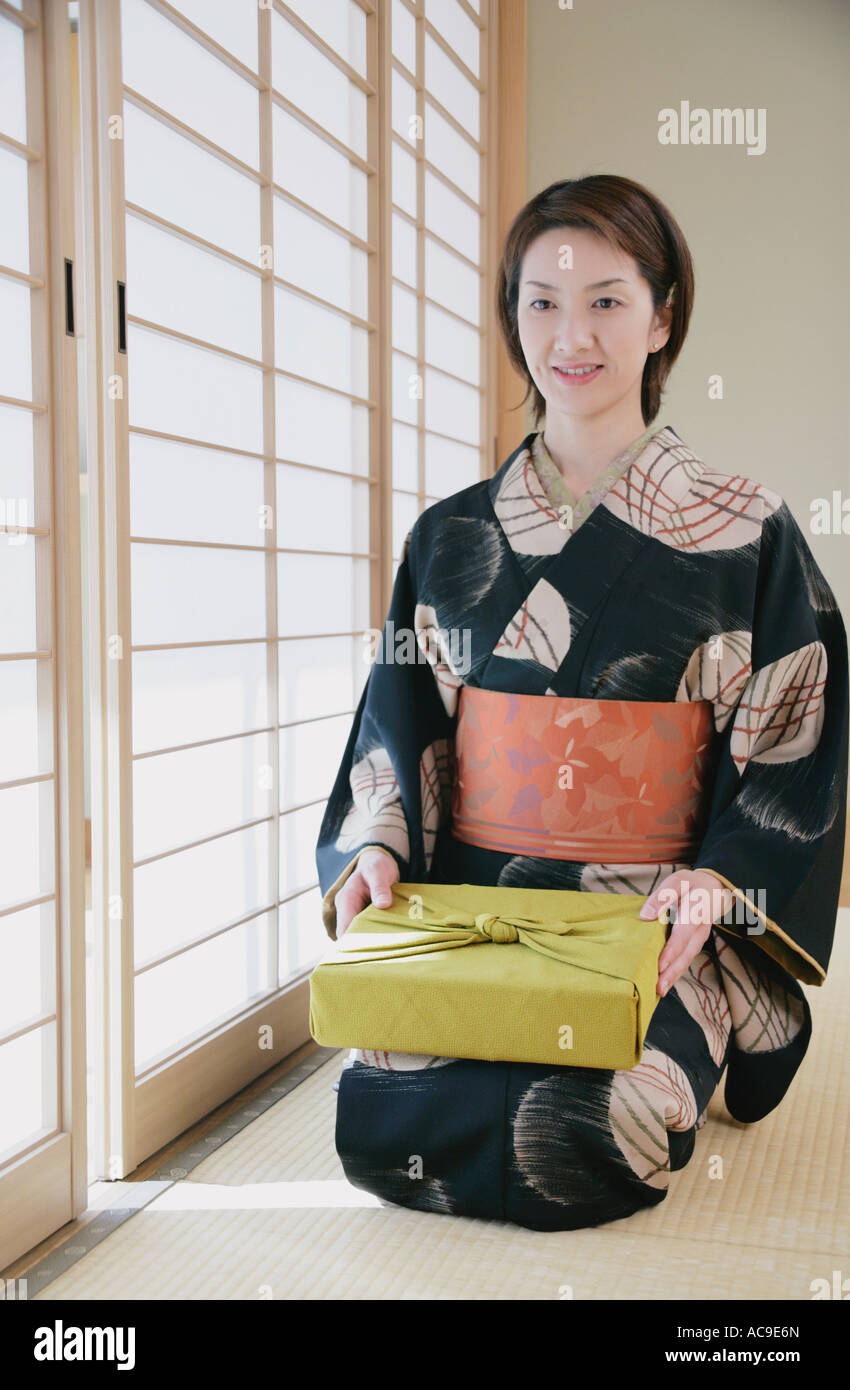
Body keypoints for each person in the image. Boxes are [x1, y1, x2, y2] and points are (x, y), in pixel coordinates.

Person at [314, 174, 849, 1231]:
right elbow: (399, 724)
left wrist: (717, 886)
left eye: (606, 299)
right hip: (479, 912)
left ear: (660, 317)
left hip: (648, 918)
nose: (573, 332)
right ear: (513, 321)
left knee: (598, 1120)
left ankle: (719, 1016)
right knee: (386, 1108)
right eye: (541, 301)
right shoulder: (449, 536)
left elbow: (796, 730)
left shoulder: (746, 529)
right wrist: (375, 847)